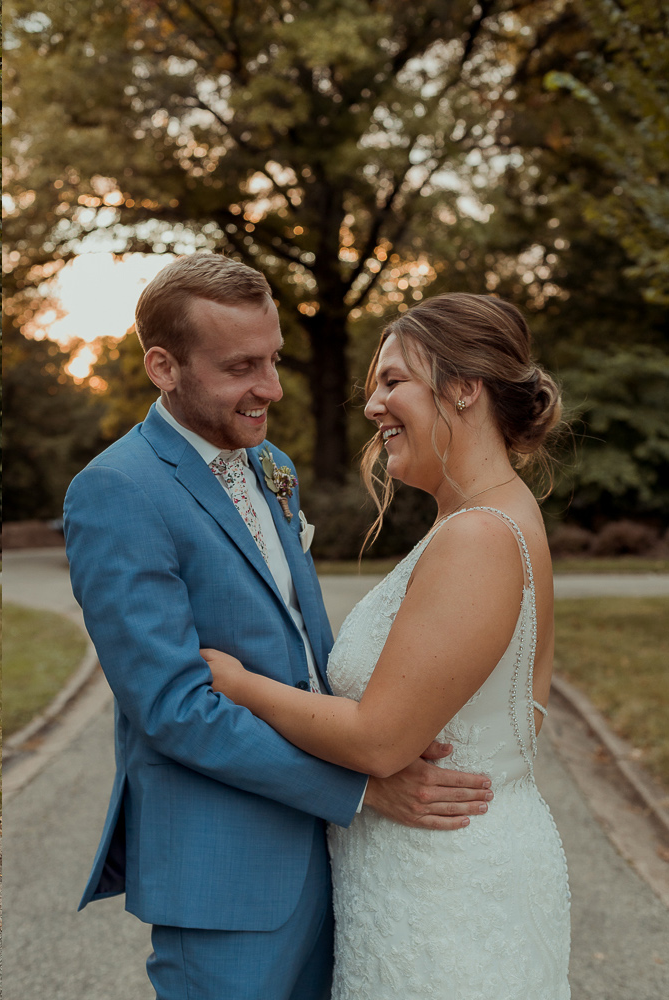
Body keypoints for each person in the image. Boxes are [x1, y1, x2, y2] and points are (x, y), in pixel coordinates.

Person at [62, 253, 494, 1000]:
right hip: (225, 875)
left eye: (273, 360)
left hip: (330, 859)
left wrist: (378, 729)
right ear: (164, 366)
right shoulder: (114, 492)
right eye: (240, 367)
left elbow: (300, 644)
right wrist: (358, 788)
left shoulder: (271, 464)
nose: (270, 388)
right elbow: (173, 707)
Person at [202, 292, 571, 998]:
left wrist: (235, 682)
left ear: (463, 390)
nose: (372, 405)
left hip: (447, 899)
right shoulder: (481, 519)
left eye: (393, 380)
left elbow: (378, 742)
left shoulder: (480, 535)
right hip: (430, 881)